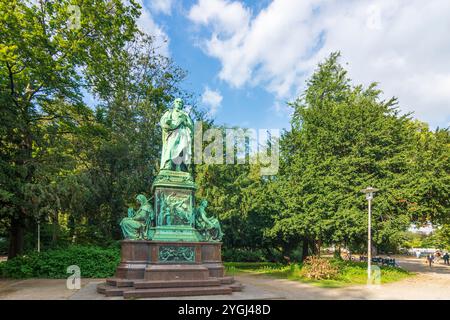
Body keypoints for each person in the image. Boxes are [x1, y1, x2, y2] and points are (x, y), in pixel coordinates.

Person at [159, 98, 194, 172]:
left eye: (181, 102)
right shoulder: (169, 112)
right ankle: (169, 164)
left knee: (183, 148)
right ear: (174, 103)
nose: (179, 103)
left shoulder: (185, 114)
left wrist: (185, 122)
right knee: (171, 147)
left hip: (184, 133)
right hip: (173, 132)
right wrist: (167, 122)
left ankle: (182, 166)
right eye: (177, 102)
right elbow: (163, 121)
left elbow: (191, 125)